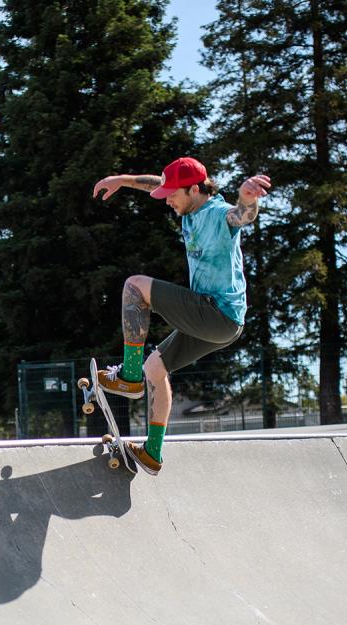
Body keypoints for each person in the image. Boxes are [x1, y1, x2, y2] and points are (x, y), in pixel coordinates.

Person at [91, 157, 270, 475]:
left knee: (135, 287)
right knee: (155, 368)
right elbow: (156, 183)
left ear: (195, 189)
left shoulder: (216, 214)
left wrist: (247, 200)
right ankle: (152, 452)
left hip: (218, 312)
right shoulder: (186, 206)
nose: (168, 200)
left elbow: (241, 217)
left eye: (175, 194)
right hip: (220, 322)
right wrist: (122, 178)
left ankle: (129, 378)